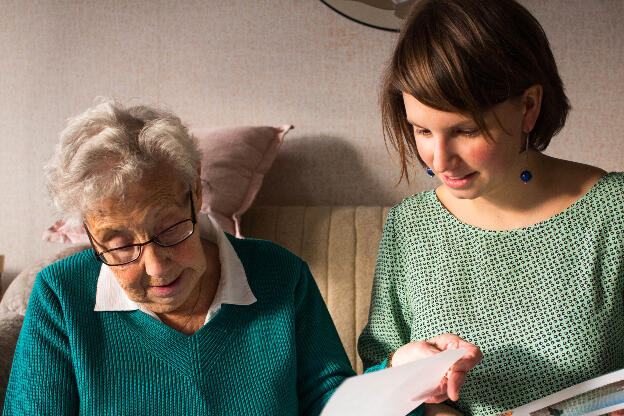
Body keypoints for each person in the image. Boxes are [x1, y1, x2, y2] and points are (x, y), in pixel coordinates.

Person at [3, 100, 480, 415]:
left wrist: (401, 374)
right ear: (88, 233)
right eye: (119, 244)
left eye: (169, 229)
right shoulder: (61, 295)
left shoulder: (278, 274)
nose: (155, 266)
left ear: (195, 192)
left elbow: (328, 402)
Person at [357, 0, 624, 415]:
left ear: (529, 107)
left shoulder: (614, 214)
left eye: (465, 130)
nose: (439, 160)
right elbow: (380, 373)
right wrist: (411, 382)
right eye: (422, 130)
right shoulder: (409, 226)